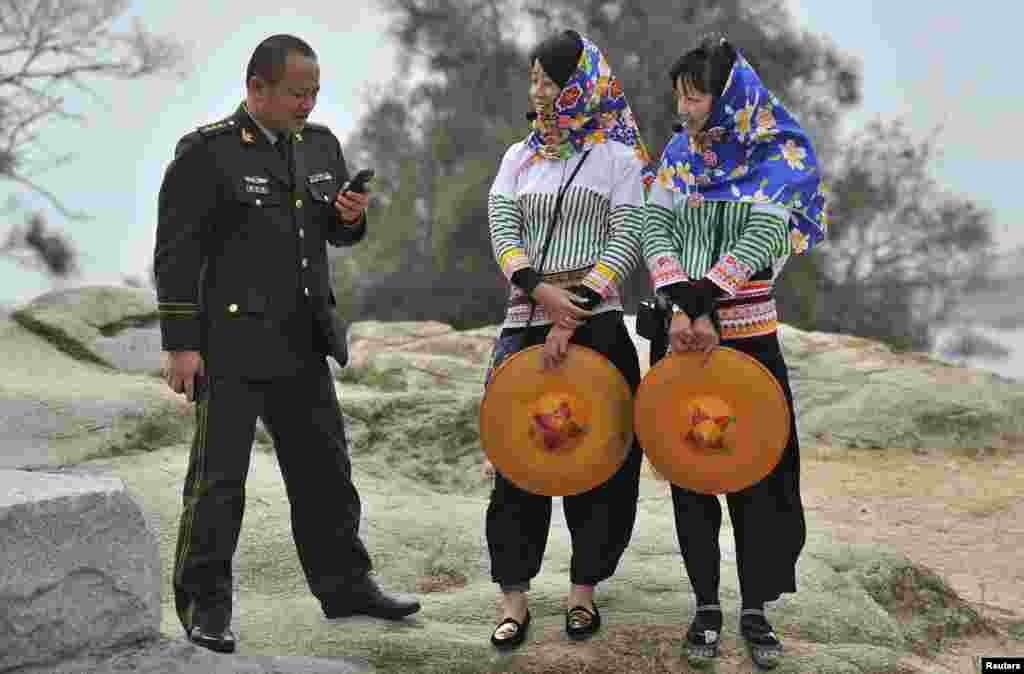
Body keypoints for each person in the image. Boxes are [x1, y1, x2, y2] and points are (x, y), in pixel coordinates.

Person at [154, 34, 420, 655]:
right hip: (231, 346)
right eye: (298, 93)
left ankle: (346, 586)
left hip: (302, 341)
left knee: (326, 473)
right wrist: (180, 345)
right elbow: (175, 255)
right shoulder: (207, 153)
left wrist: (349, 216)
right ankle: (205, 606)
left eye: (314, 93)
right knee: (219, 483)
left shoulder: (321, 145)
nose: (308, 104)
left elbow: (333, 233)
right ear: (257, 88)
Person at [642, 35, 829, 669]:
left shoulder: (774, 154)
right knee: (690, 473)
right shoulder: (678, 153)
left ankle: (755, 609)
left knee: (757, 476)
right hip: (680, 336)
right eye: (680, 96)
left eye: (696, 96)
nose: (684, 108)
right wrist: (680, 296)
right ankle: (705, 606)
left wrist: (708, 295)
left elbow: (765, 231)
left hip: (747, 338)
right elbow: (656, 224)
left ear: (727, 97)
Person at [483, 29, 655, 650]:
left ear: (582, 87)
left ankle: (584, 590)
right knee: (517, 459)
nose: (539, 91)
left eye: (550, 81)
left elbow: (628, 233)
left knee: (601, 458)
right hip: (523, 320)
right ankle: (513, 597)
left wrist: (572, 309)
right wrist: (536, 288)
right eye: (534, 79)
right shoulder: (517, 158)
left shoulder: (618, 159)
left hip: (597, 322)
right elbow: (502, 226)